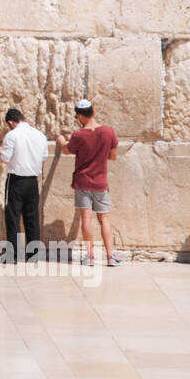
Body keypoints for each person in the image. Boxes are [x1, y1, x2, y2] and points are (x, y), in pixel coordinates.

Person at [55, 99, 120, 267]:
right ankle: (110, 257)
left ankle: (90, 256)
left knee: (86, 217)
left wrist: (62, 141)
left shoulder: (78, 136)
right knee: (104, 218)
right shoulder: (109, 132)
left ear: (80, 116)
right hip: (100, 182)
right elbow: (113, 156)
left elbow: (67, 150)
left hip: (83, 181)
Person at [0, 108, 47, 263]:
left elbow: (6, 158)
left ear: (10, 122)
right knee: (32, 217)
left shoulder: (12, 135)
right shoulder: (39, 135)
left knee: (13, 217)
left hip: (16, 180)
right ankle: (33, 255)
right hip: (33, 180)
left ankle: (12, 256)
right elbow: (44, 156)